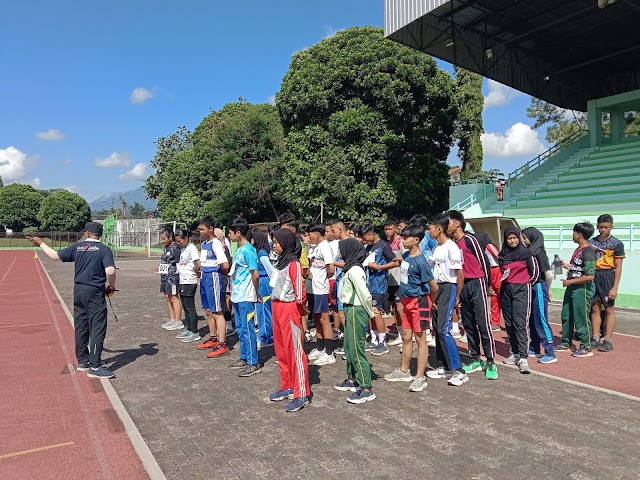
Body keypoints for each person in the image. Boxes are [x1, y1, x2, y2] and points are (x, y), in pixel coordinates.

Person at [28, 222, 117, 378]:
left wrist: (41, 243)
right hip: (94, 291)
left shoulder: (78, 247)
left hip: (79, 290)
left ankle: (83, 361)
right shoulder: (104, 250)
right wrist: (112, 286)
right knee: (97, 326)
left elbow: (55, 256)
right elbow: (110, 270)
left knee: (81, 324)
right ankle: (95, 366)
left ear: (88, 233)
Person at [384, 224, 439, 391]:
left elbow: (434, 287)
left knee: (420, 339)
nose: (403, 240)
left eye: (406, 238)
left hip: (419, 302)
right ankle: (404, 370)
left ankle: (420, 377)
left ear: (416, 240)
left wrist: (431, 301)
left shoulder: (421, 262)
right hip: (406, 301)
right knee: (406, 336)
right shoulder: (406, 255)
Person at [426, 215, 476, 383]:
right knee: (437, 329)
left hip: (449, 287)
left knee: (443, 329)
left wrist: (457, 296)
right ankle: (447, 367)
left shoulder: (451, 247)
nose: (428, 232)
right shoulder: (436, 248)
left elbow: (459, 275)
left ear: (439, 229)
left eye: (430, 228)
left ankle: (459, 370)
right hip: (438, 289)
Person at [268, 228, 311, 412]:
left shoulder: (293, 264)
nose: (274, 245)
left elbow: (300, 292)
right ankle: (287, 385)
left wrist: (300, 309)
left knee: (294, 350)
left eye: (277, 242)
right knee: (282, 350)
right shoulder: (280, 262)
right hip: (276, 306)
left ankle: (301, 393)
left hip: (289, 307)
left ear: (286, 243)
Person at [447, 210, 495, 366]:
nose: (445, 226)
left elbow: (484, 262)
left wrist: (486, 284)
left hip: (477, 282)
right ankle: (474, 357)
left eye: (448, 222)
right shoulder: (454, 244)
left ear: (457, 223)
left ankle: (490, 360)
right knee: (468, 323)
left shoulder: (470, 240)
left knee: (482, 322)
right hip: (463, 284)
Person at [334, 238, 377, 404]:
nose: (340, 253)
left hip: (355, 309)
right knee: (349, 346)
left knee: (357, 348)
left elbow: (364, 294)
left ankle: (367, 388)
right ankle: (353, 378)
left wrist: (371, 312)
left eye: (342, 250)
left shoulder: (355, 271)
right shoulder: (349, 269)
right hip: (349, 308)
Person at [499, 226, 539, 374]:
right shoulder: (502, 255)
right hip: (506, 291)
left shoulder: (527, 253)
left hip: (522, 290)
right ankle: (514, 352)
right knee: (509, 324)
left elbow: (534, 273)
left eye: (515, 237)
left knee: (520, 324)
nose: (512, 241)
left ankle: (523, 357)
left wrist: (525, 284)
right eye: (509, 238)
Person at [556, 222, 597, 358]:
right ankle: (566, 342)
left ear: (579, 234)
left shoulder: (588, 251)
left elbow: (590, 276)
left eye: (574, 232)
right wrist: (564, 265)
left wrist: (570, 281)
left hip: (582, 288)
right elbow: (577, 268)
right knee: (566, 315)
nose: (572, 235)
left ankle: (586, 346)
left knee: (581, 317)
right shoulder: (579, 250)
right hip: (572, 287)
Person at [228, 217, 262, 376]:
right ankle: (244, 356)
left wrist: (256, 293)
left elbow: (255, 274)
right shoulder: (239, 250)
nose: (229, 236)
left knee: (248, 329)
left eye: (230, 233)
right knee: (241, 328)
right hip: (237, 296)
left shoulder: (249, 250)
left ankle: (253, 362)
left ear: (238, 233)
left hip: (246, 296)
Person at [361, 220, 399, 355]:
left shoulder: (383, 246)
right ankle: (374, 338)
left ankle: (382, 342)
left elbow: (395, 263)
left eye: (365, 238)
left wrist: (379, 267)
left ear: (371, 234)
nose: (364, 241)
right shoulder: (367, 247)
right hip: (367, 285)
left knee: (377, 312)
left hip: (379, 285)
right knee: (369, 312)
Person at [589, 214, 625, 352]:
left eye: (606, 227)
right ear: (597, 226)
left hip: (608, 275)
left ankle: (608, 340)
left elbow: (619, 266)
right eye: (600, 227)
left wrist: (615, 287)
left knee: (609, 308)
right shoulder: (592, 242)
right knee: (595, 307)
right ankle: (595, 337)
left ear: (611, 227)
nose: (603, 230)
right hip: (594, 275)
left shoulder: (617, 244)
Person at [196, 217, 231, 358]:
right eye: (199, 230)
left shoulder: (216, 244)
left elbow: (225, 264)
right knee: (209, 310)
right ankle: (213, 338)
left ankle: (222, 344)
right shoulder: (205, 244)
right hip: (204, 278)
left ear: (210, 228)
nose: (200, 232)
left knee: (217, 311)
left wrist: (216, 273)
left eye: (202, 229)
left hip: (213, 277)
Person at [522, 228, 556, 364]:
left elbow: (549, 274)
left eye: (525, 238)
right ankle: (534, 346)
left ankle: (550, 351)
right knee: (532, 319)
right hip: (532, 287)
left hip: (540, 286)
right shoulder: (529, 252)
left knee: (541, 319)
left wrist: (547, 290)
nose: (524, 240)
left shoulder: (539, 253)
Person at [306, 222, 336, 366]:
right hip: (312, 287)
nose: (308, 237)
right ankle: (320, 346)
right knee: (317, 316)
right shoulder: (315, 247)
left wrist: (323, 279)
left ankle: (329, 352)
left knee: (324, 318)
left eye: (309, 234)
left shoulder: (325, 247)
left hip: (320, 289)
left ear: (317, 234)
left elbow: (331, 269)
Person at [175, 229, 202, 343]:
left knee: (190, 306)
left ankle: (195, 332)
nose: (178, 243)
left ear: (186, 239)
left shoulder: (192, 248)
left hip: (190, 280)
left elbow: (197, 263)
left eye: (179, 240)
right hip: (183, 280)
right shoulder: (184, 249)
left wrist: (197, 274)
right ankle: (188, 328)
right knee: (185, 306)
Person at [473, 232, 502, 332]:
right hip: (489, 271)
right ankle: (495, 322)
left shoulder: (488, 246)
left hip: (497, 270)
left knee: (501, 295)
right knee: (493, 298)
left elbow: (500, 256)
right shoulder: (478, 248)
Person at [329, 220, 350, 356]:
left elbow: (349, 264)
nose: (331, 233)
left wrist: (330, 263)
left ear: (340, 230)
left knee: (344, 315)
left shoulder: (348, 244)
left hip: (346, 284)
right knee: (341, 313)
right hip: (340, 283)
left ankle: (348, 346)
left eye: (333, 230)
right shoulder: (340, 244)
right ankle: (347, 345)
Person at [384, 217, 405, 348]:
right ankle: (399, 333)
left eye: (390, 229)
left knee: (400, 308)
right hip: (389, 280)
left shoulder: (401, 242)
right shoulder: (386, 243)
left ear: (396, 228)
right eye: (385, 229)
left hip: (400, 280)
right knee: (394, 309)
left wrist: (395, 259)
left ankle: (406, 336)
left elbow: (407, 258)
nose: (387, 232)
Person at [252, 231, 274, 348]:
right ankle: (264, 334)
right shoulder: (257, 252)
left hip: (264, 282)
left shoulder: (261, 253)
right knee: (260, 310)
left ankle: (266, 337)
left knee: (264, 311)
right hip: (261, 282)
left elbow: (270, 270)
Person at [159, 229, 183, 331]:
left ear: (170, 237)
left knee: (174, 297)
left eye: (164, 238)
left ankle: (178, 321)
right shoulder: (166, 248)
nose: (163, 241)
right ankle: (172, 319)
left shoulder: (175, 248)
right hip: (165, 276)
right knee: (167, 297)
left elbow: (178, 263)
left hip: (172, 277)